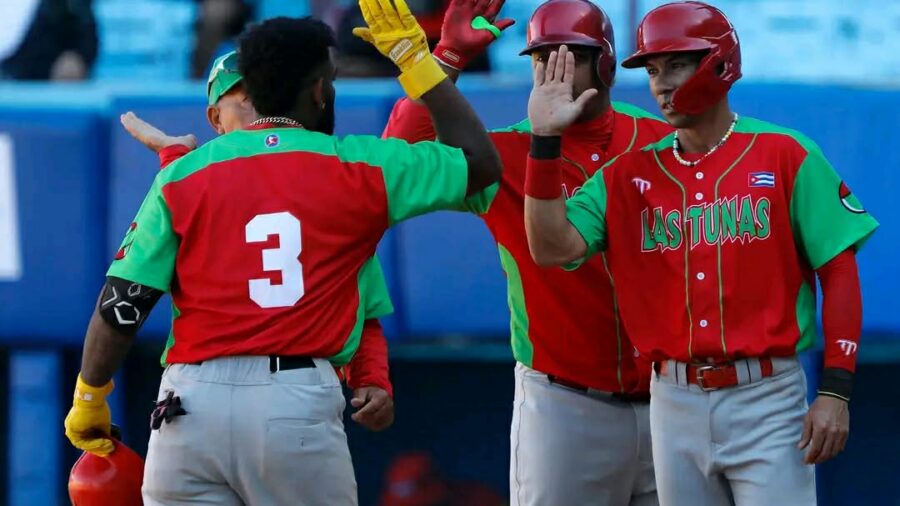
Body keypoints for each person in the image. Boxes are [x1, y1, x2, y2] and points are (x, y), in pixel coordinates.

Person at [63, 0, 501, 503]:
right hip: (292, 402)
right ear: (319, 91)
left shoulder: (182, 174)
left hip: (187, 407)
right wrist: (421, 63)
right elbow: (479, 162)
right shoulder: (359, 165)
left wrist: (90, 395)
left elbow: (124, 302)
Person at [522, 3, 879, 505]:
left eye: (676, 64)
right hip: (671, 399)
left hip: (767, 395)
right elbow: (551, 248)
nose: (661, 83)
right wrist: (544, 141)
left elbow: (839, 273)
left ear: (720, 62)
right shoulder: (627, 177)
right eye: (651, 69)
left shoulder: (784, 154)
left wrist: (836, 391)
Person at [382, 1, 671, 504]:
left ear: (605, 62)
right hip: (564, 401)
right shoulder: (505, 153)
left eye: (571, 54)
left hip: (672, 396)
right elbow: (398, 160)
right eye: (541, 56)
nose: (553, 68)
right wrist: (445, 58)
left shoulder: (661, 142)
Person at [119, 50, 395, 431]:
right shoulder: (195, 181)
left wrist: (371, 378)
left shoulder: (327, 185)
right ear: (215, 118)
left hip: (253, 390)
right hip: (245, 393)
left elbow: (361, 307)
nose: (255, 103)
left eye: (263, 93)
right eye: (242, 95)